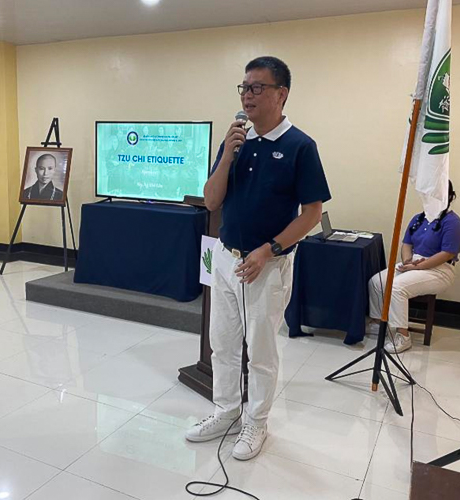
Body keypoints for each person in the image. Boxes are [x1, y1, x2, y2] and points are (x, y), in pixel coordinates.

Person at [185, 56, 331, 460]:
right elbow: (212, 200)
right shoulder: (234, 140)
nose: (248, 95)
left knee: (261, 351)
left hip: (267, 266)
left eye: (257, 87)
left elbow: (312, 214)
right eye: (244, 88)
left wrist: (270, 250)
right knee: (223, 345)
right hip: (226, 259)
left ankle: (256, 423)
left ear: (280, 94)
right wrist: (229, 154)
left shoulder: (300, 146)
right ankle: (225, 411)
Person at [368, 181, 460, 353]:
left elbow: (447, 254)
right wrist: (408, 262)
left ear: (448, 197)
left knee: (397, 288)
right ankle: (379, 323)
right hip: (414, 263)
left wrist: (417, 267)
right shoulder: (419, 219)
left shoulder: (453, 223)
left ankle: (403, 336)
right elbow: (406, 243)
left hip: (439, 269)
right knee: (376, 282)